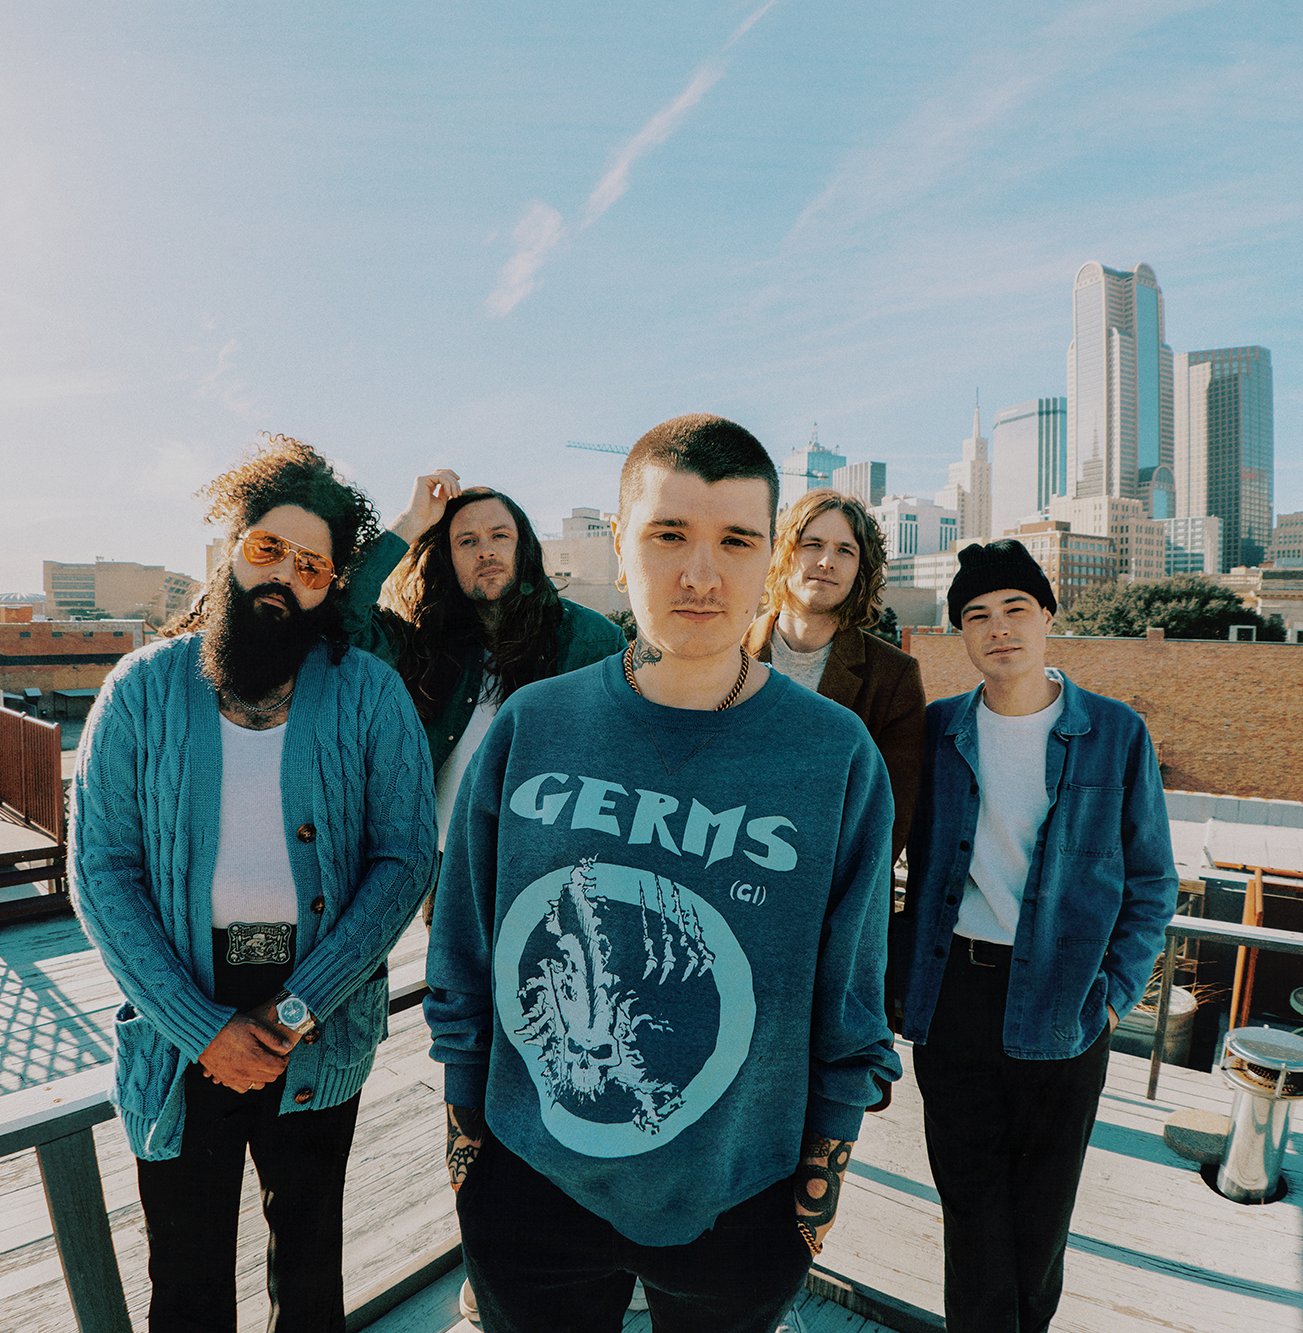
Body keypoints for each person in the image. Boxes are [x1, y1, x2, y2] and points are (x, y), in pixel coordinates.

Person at [424, 414, 902, 1333]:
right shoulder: (533, 726)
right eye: (669, 533)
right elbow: (467, 950)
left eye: (735, 540)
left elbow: (851, 999)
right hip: (529, 1178)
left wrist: (810, 1200)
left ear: (767, 557)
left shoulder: (833, 755)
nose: (700, 572)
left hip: (739, 1195)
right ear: (619, 542)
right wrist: (467, 1154)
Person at [70, 436, 436, 1332]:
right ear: (231, 550)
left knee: (310, 1277)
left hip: (316, 1016)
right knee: (187, 1281)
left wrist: (297, 1006)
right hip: (178, 1018)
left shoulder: (371, 694)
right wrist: (203, 1029)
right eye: (267, 549)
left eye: (310, 565)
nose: (284, 577)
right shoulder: (140, 690)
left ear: (330, 585)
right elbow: (100, 871)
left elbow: (403, 860)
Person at [892, 538, 1176, 1333]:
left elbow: (1152, 880)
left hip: (1066, 1000)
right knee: (973, 1215)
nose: (999, 628)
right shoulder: (940, 729)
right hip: (953, 998)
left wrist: (1114, 997)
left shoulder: (1115, 733)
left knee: (1040, 1219)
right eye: (977, 615)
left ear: (1048, 614)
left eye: (1016, 607)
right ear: (962, 633)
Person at [343, 474, 623, 865]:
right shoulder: (424, 643)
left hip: (550, 866)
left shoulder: (591, 639)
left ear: (523, 546)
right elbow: (342, 616)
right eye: (467, 541)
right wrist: (412, 520)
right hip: (445, 870)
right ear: (448, 559)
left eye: (500, 536)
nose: (485, 551)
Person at [744, 487, 925, 863]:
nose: (827, 561)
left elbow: (888, 823)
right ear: (784, 552)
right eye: (813, 544)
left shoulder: (893, 677)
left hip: (828, 894)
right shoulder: (728, 650)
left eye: (845, 550)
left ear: (861, 569)